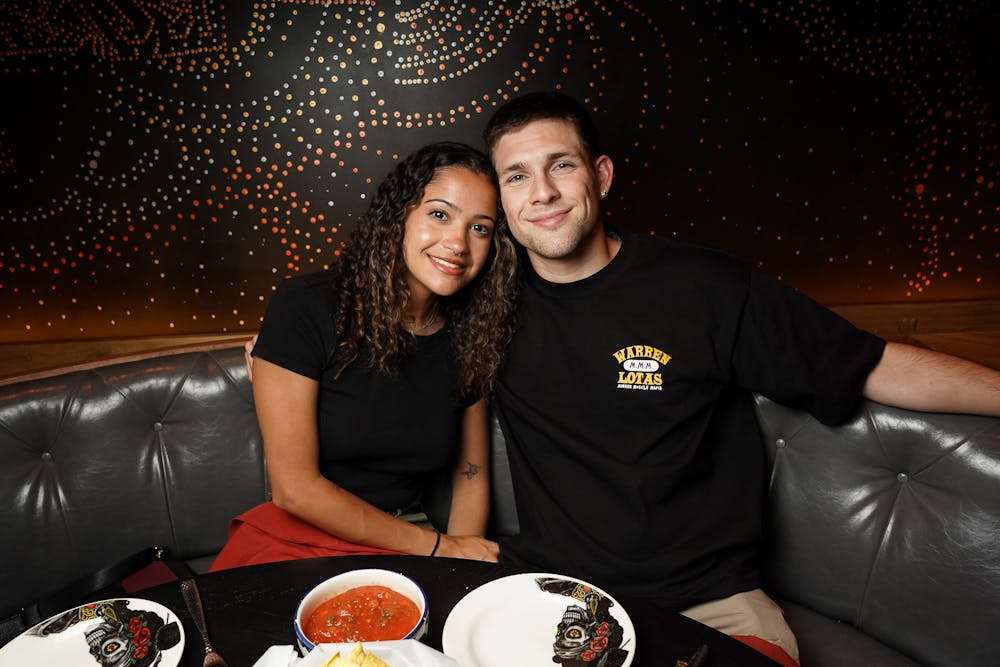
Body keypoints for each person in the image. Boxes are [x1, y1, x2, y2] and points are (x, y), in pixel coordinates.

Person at [482, 91, 1000, 667]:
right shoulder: (489, 303)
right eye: (517, 176)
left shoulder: (705, 287)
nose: (542, 192)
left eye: (561, 165)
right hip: (553, 596)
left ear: (600, 176)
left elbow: (871, 364)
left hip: (710, 603)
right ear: (501, 199)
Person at [211, 142, 518, 571]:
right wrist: (439, 548)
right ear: (399, 216)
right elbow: (294, 490)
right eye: (439, 214)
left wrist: (462, 565)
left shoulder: (471, 335)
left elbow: (471, 476)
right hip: (303, 537)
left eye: (480, 228)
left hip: (408, 536)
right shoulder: (306, 306)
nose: (458, 243)